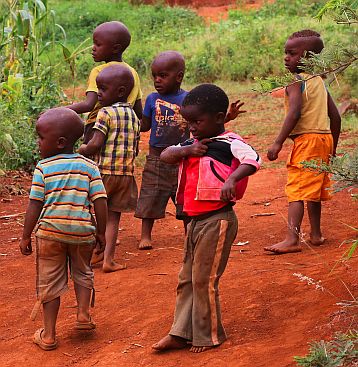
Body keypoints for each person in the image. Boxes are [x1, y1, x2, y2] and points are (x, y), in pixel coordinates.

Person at [152, 84, 261, 353]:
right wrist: (186, 151)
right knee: (186, 278)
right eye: (189, 122)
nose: (192, 128)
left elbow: (253, 159)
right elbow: (166, 155)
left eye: (198, 121)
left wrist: (233, 179)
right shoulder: (191, 144)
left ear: (219, 118)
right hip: (194, 221)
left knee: (204, 279)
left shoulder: (230, 143)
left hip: (218, 219)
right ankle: (179, 332)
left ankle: (208, 334)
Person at [135, 50, 246, 250]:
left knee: (185, 198)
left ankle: (189, 233)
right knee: (150, 196)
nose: (157, 80)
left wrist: (227, 117)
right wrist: (130, 114)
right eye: (154, 76)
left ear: (179, 77)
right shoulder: (152, 99)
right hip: (156, 159)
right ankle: (145, 235)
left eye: (163, 75)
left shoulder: (189, 101)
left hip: (185, 157)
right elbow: (144, 126)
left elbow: (206, 123)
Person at [19, 108, 107, 351]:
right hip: (82, 232)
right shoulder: (89, 166)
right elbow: (100, 200)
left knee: (50, 282)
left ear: (60, 142)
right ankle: (82, 314)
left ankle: (48, 335)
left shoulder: (43, 168)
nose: (37, 142)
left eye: (40, 137)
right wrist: (101, 232)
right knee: (83, 271)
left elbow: (34, 204)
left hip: (49, 233)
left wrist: (26, 235)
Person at [265, 29, 341, 255]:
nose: (286, 58)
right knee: (314, 188)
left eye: (292, 53)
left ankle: (292, 238)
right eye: (285, 53)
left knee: (297, 188)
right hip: (324, 138)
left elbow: (295, 112)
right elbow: (335, 117)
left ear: (308, 58)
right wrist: (333, 149)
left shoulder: (295, 81)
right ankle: (316, 234)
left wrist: (278, 142)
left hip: (307, 140)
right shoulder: (319, 82)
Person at [79, 64, 140, 272]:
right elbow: (136, 147)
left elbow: (95, 143)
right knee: (113, 217)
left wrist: (82, 149)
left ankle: (87, 257)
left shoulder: (104, 113)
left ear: (121, 92)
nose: (99, 94)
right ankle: (108, 260)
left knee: (92, 213)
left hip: (103, 173)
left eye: (103, 89)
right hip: (125, 175)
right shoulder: (134, 116)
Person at [66, 21, 142, 143]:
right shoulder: (132, 72)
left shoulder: (99, 71)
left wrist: (60, 111)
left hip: (98, 127)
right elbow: (138, 112)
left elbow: (88, 105)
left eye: (98, 44)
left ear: (115, 48)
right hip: (125, 129)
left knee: (94, 159)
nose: (93, 48)